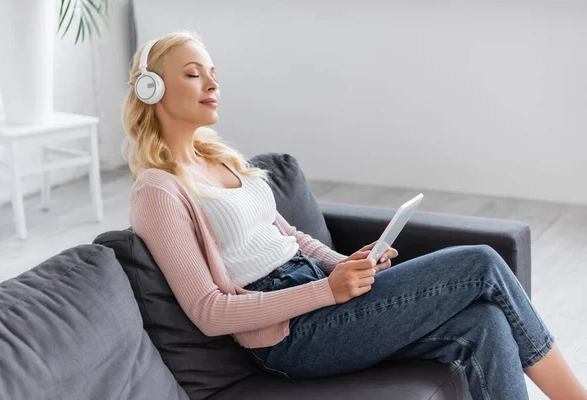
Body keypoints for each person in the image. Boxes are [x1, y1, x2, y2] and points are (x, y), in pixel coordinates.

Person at [121, 30, 587, 400]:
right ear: (152, 89)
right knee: (481, 262)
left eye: (213, 72)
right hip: (289, 338)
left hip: (320, 298)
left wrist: (343, 264)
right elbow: (209, 312)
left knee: (484, 322)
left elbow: (291, 237)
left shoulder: (222, 160)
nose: (212, 84)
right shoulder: (159, 189)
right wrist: (327, 289)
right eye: (193, 74)